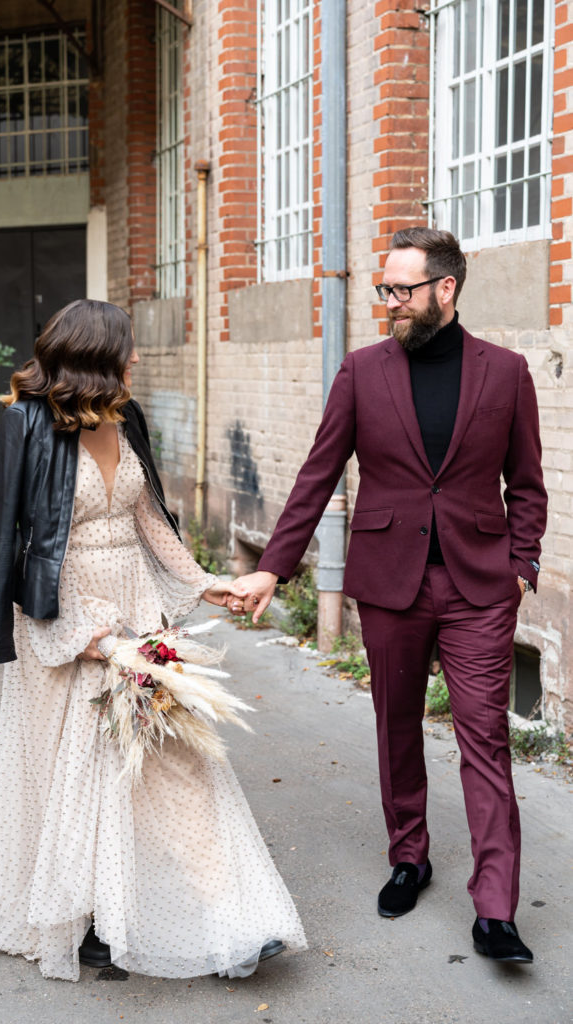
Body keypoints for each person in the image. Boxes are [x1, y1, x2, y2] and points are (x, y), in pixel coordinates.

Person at [0, 299, 306, 982]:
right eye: (128, 349)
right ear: (96, 357)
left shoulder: (128, 418)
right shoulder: (24, 423)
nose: (138, 359)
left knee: (174, 757)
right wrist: (76, 631)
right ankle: (86, 918)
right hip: (64, 618)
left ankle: (226, 912)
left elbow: (148, 519)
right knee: (86, 773)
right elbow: (10, 545)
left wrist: (208, 585)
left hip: (138, 608)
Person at [230, 228, 547, 963]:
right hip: (389, 581)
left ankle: (495, 907)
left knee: (484, 740)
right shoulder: (361, 371)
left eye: (401, 290)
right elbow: (317, 474)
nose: (389, 303)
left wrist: (521, 564)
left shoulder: (504, 372)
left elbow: (525, 483)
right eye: (384, 289)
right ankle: (409, 856)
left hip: (478, 585)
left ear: (445, 289)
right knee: (394, 725)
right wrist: (272, 568)